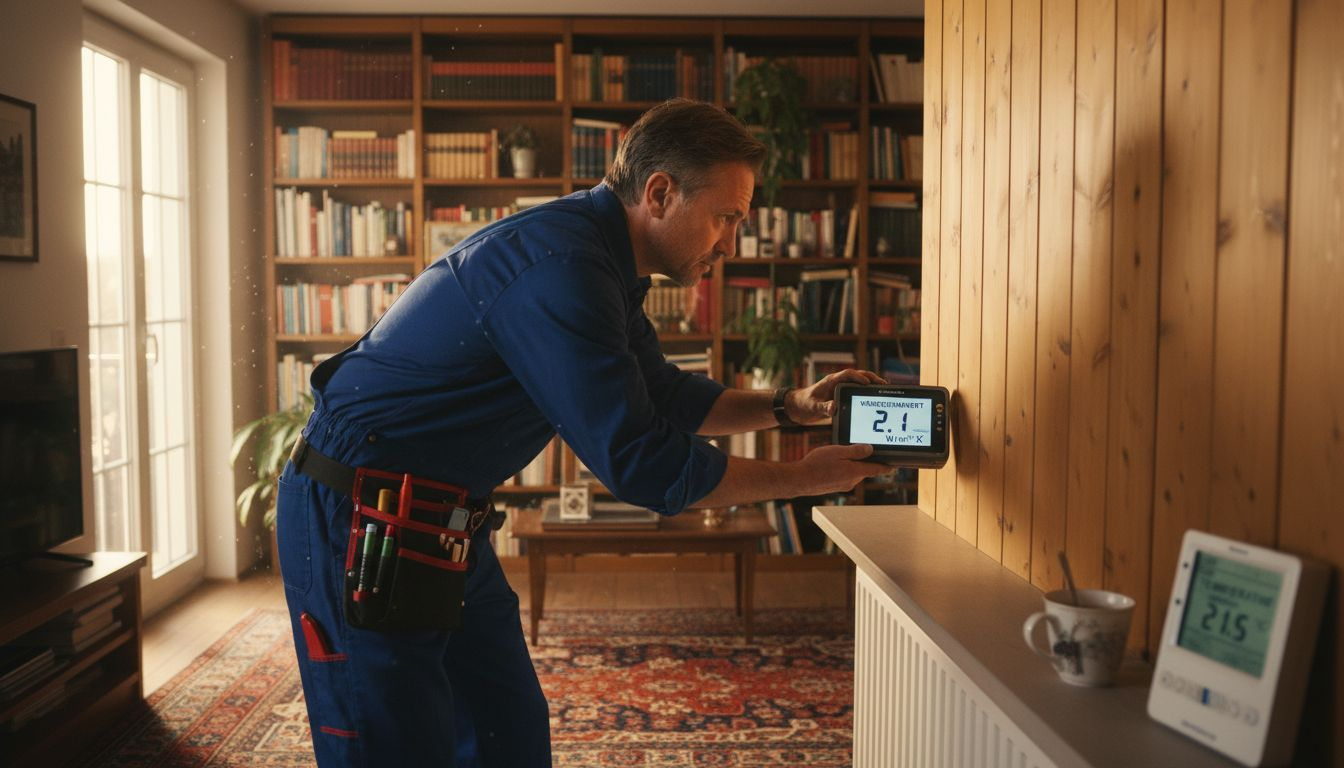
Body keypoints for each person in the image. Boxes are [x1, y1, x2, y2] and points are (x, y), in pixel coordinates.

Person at [276, 98, 889, 767]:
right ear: (660, 193)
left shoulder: (599, 256)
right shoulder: (563, 268)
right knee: (394, 746)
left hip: (440, 518)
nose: (731, 244)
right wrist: (806, 479)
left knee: (506, 728)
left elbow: (662, 393)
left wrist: (788, 406)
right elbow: (643, 465)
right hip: (360, 516)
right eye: (727, 217)